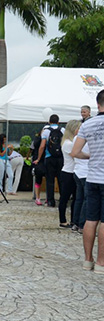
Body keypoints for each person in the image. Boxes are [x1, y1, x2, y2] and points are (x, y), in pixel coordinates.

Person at [71, 89, 104, 273]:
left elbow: (75, 152)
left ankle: (88, 260)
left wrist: (90, 156)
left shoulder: (87, 124)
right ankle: (101, 262)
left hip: (92, 177)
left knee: (91, 219)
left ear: (97, 105)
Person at [37, 114, 65, 207]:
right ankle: (62, 200)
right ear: (58, 122)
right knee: (61, 179)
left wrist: (39, 158)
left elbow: (42, 146)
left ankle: (50, 201)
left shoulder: (46, 131)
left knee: (50, 180)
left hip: (49, 157)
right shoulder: (63, 130)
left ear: (49, 122)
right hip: (60, 157)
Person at [59, 120, 81, 228]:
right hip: (68, 172)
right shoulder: (68, 143)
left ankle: (73, 219)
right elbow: (75, 155)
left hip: (72, 172)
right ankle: (63, 220)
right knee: (65, 197)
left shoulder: (70, 142)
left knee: (75, 198)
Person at [72, 133, 89, 233]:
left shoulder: (76, 138)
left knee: (79, 199)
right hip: (86, 172)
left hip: (77, 170)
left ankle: (76, 222)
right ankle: (82, 224)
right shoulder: (89, 138)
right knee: (87, 200)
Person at [31, 131, 47, 205]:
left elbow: (31, 149)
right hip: (46, 161)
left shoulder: (36, 140)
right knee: (49, 180)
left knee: (38, 180)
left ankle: (37, 198)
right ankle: (48, 198)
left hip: (37, 162)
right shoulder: (48, 140)